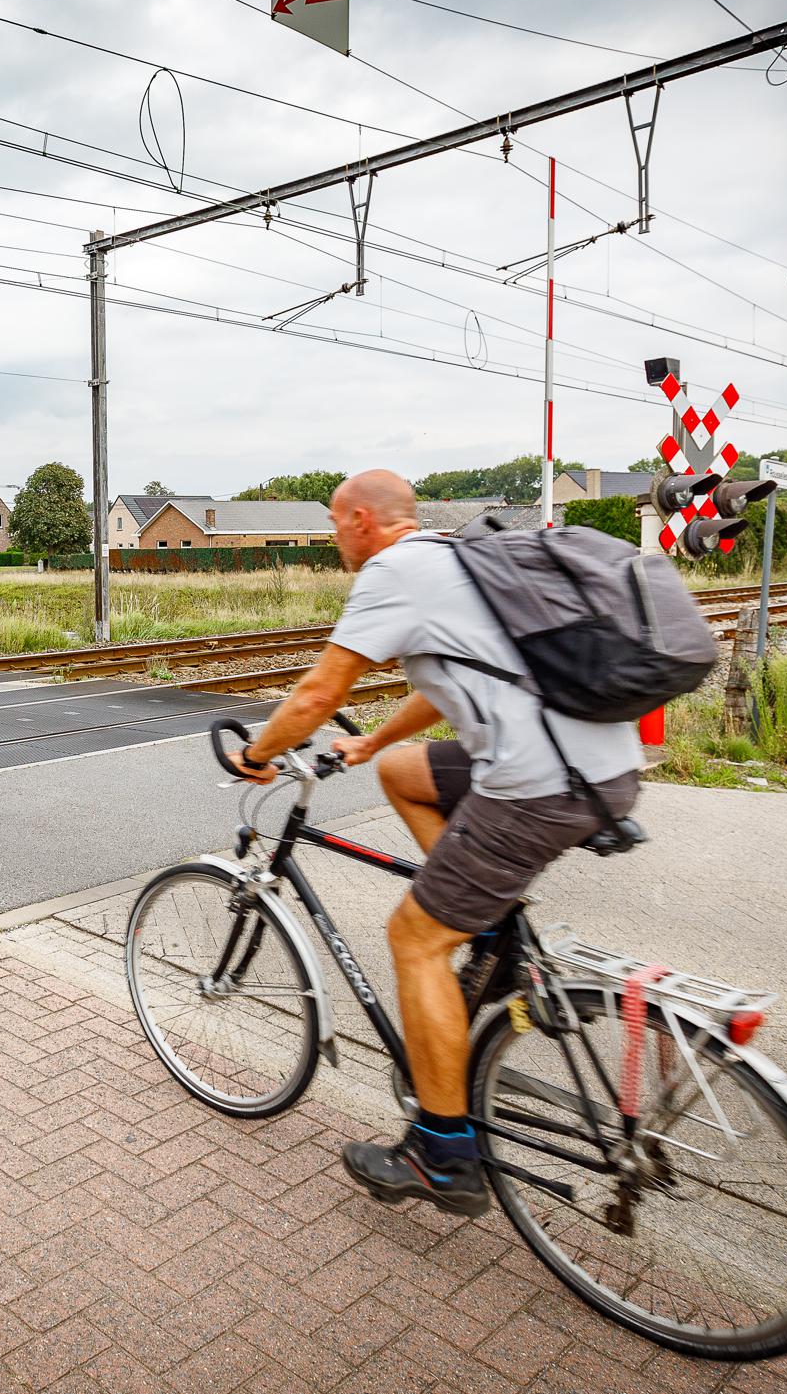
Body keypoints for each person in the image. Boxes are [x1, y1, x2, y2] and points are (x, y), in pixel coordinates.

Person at [236, 469, 642, 1216]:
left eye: (333, 523)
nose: (333, 539)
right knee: (402, 772)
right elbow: (446, 684)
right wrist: (370, 745)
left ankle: (441, 1152)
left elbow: (317, 695)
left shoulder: (393, 570)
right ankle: (489, 921)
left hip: (541, 781)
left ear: (361, 519)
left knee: (415, 937)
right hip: (602, 766)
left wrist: (257, 756)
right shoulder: (456, 558)